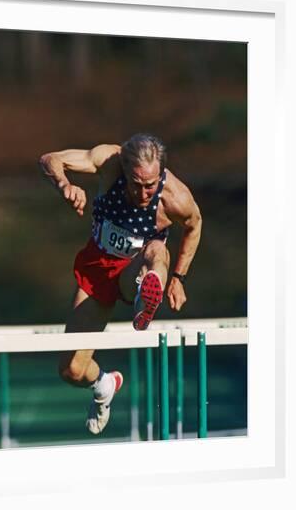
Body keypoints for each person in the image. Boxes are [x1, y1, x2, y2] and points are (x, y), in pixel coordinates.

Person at [39, 133, 202, 435]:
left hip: (136, 268)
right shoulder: (109, 161)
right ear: (125, 171)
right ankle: (104, 383)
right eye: (136, 184)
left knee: (156, 252)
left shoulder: (175, 197)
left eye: (150, 185)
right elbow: (51, 159)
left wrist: (178, 278)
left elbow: (195, 224)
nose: (143, 193)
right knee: (71, 369)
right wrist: (65, 185)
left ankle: (145, 297)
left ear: (160, 176)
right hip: (98, 268)